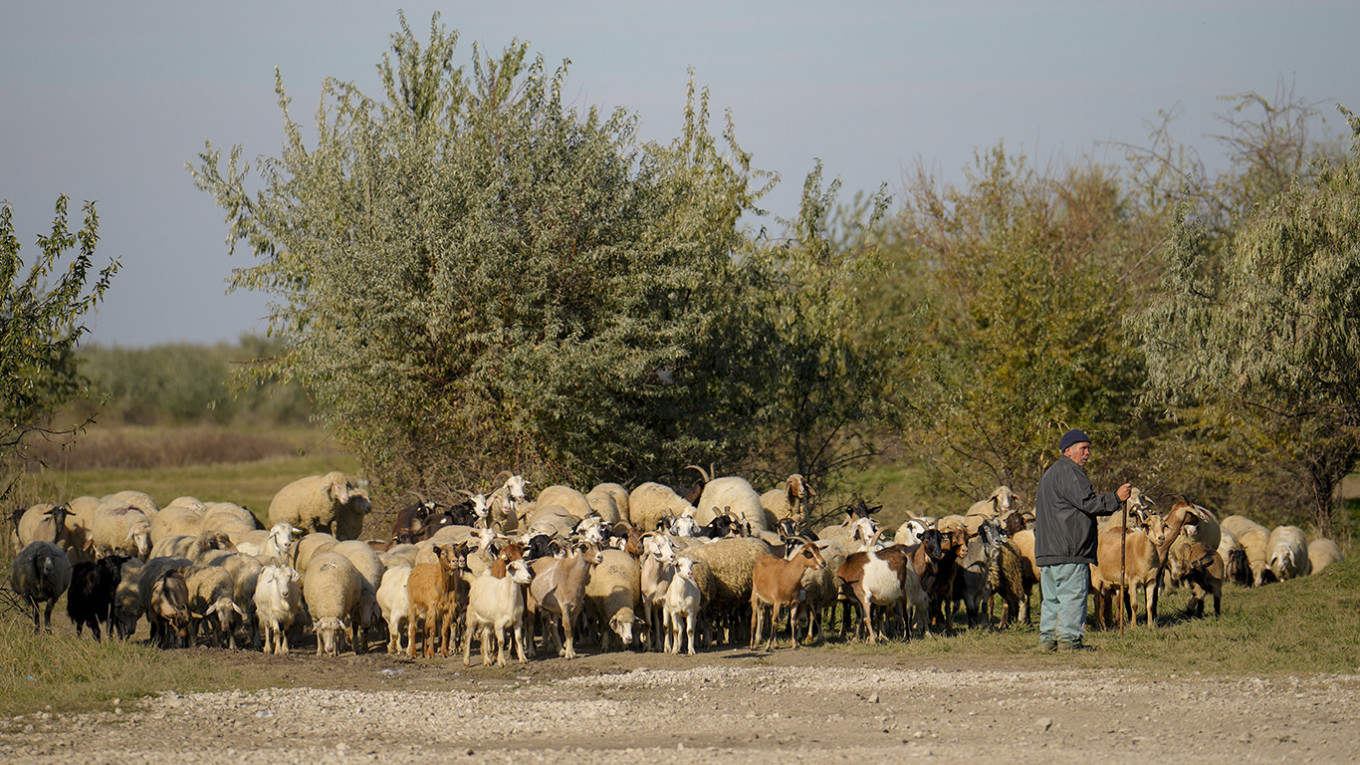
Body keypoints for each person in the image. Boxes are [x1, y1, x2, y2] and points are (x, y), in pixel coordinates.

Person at [1033, 428, 1131, 652]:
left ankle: (1048, 641)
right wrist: (1116, 498)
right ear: (1068, 451)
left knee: (1051, 599)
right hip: (1069, 548)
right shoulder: (1071, 472)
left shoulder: (1048, 475)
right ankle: (1069, 641)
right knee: (1072, 596)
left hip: (1047, 551)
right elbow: (1089, 503)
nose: (1087, 453)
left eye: (1089, 449)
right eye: (1083, 449)